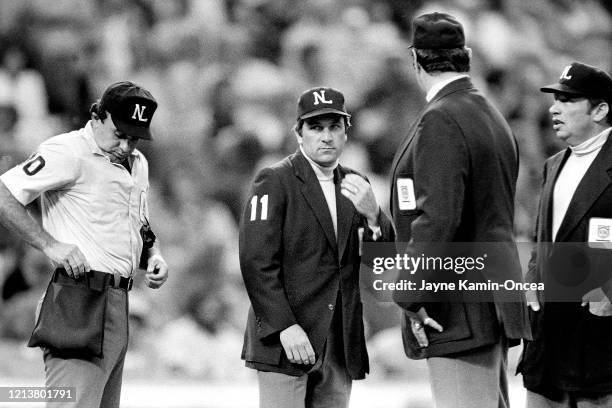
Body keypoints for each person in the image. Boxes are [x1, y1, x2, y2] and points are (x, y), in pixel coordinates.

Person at [389, 12, 531, 408]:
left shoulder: (442, 118)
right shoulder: (491, 114)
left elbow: (439, 217)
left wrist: (411, 293)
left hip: (457, 305)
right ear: (466, 55)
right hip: (489, 296)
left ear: (415, 59)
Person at [0, 81, 169, 408]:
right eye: (119, 133)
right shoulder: (68, 150)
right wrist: (48, 244)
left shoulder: (139, 164)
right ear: (98, 115)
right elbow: (5, 193)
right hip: (77, 296)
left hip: (119, 300)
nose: (126, 145)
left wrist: (154, 254)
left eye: (134, 137)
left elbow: (140, 223)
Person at [239, 86, 394, 408]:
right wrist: (284, 326)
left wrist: (375, 216)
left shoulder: (356, 184)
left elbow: (383, 265)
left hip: (338, 342)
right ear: (299, 133)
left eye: (334, 127)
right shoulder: (274, 180)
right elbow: (256, 262)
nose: (326, 137)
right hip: (286, 340)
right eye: (316, 127)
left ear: (346, 133)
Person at [517, 62, 612, 408]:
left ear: (600, 109)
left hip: (597, 340)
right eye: (555, 99)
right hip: (546, 334)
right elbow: (544, 235)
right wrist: (531, 278)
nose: (554, 108)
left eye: (568, 100)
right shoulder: (553, 164)